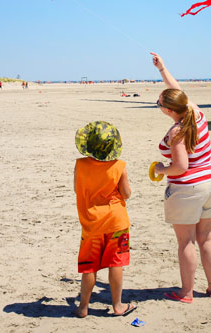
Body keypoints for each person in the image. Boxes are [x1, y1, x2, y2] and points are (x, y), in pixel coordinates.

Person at [149, 53, 211, 302]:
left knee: (186, 243)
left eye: (158, 103)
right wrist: (162, 69)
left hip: (190, 188)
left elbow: (181, 166)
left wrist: (161, 169)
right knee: (207, 238)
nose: (158, 104)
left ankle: (187, 292)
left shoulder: (177, 130)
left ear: (168, 110)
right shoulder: (196, 113)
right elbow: (176, 90)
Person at [73, 121, 136, 318]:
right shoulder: (119, 166)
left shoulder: (80, 164)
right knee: (116, 263)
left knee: (89, 266)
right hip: (116, 220)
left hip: (91, 222)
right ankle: (117, 305)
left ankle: (83, 307)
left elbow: (77, 189)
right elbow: (126, 194)